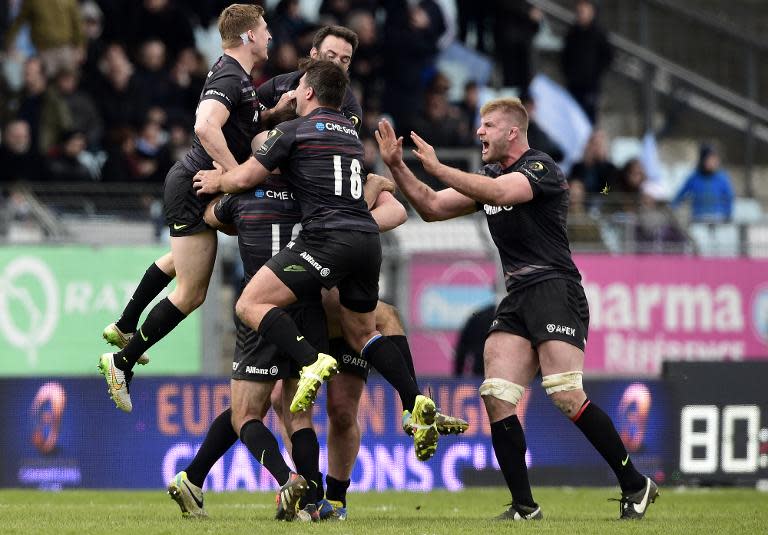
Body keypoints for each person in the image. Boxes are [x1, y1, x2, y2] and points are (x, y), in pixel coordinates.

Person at [374, 97, 659, 521]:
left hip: (554, 287)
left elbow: (498, 192)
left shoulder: (540, 168)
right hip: (518, 295)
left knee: (565, 394)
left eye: (487, 125)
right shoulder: (489, 176)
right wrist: (398, 165)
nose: (479, 133)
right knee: (497, 396)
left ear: (512, 131)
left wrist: (436, 166)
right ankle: (525, 507)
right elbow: (431, 208)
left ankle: (636, 484)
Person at [193, 59, 441, 463]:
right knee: (366, 333)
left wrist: (217, 180)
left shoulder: (293, 131)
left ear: (307, 92)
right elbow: (381, 204)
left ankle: (313, 360)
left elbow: (244, 178)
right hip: (367, 241)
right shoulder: (350, 135)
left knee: (249, 304)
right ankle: (413, 400)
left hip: (327, 242)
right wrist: (376, 181)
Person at [97, 4, 271, 413]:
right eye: (264, 30)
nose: (269, 37)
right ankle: (121, 363)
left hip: (192, 185)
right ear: (247, 35)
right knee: (192, 294)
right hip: (194, 186)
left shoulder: (236, 76)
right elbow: (204, 126)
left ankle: (124, 326)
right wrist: (234, 175)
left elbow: (240, 122)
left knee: (182, 263)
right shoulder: (230, 75)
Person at [561, 0, 613, 123]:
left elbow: (608, 56)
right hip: (573, 85)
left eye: (584, 11)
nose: (581, 14)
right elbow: (564, 57)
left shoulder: (599, 33)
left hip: (591, 86)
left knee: (589, 119)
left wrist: (595, 74)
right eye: (579, 11)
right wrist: (568, 74)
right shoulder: (572, 33)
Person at [671, 143, 734, 223]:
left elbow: (729, 198)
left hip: (718, 218)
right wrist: (672, 207)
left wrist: (728, 215)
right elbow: (681, 195)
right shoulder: (694, 178)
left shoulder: (722, 178)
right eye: (710, 159)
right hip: (699, 218)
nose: (713, 162)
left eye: (714, 159)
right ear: (703, 160)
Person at [454, 303, 494, 377]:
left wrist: (457, 376)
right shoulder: (478, 317)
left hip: (482, 375)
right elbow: (462, 348)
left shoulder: (479, 316)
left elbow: (461, 349)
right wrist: (457, 376)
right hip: (481, 374)